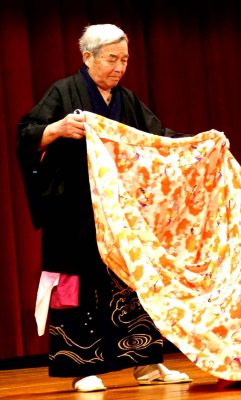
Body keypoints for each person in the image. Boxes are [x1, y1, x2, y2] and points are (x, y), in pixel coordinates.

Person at [17, 23, 191, 392]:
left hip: (120, 215)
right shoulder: (63, 93)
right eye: (112, 58)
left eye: (124, 59)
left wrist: (198, 143)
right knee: (74, 287)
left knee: (132, 285)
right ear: (88, 57)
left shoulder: (126, 100)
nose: (119, 67)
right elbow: (27, 132)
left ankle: (147, 363)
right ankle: (81, 368)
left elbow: (157, 137)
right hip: (73, 212)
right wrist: (58, 128)